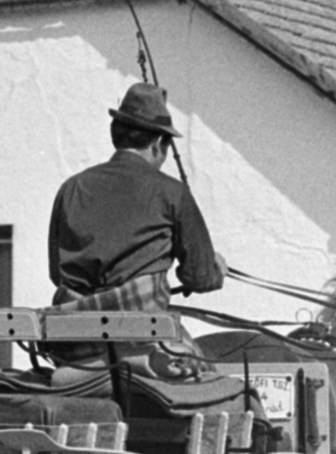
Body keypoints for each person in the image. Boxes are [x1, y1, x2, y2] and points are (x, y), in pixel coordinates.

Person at [47, 82, 225, 313]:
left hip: (74, 335)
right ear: (158, 143)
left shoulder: (71, 188)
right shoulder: (172, 192)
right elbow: (200, 277)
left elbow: (56, 272)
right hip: (138, 332)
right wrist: (217, 270)